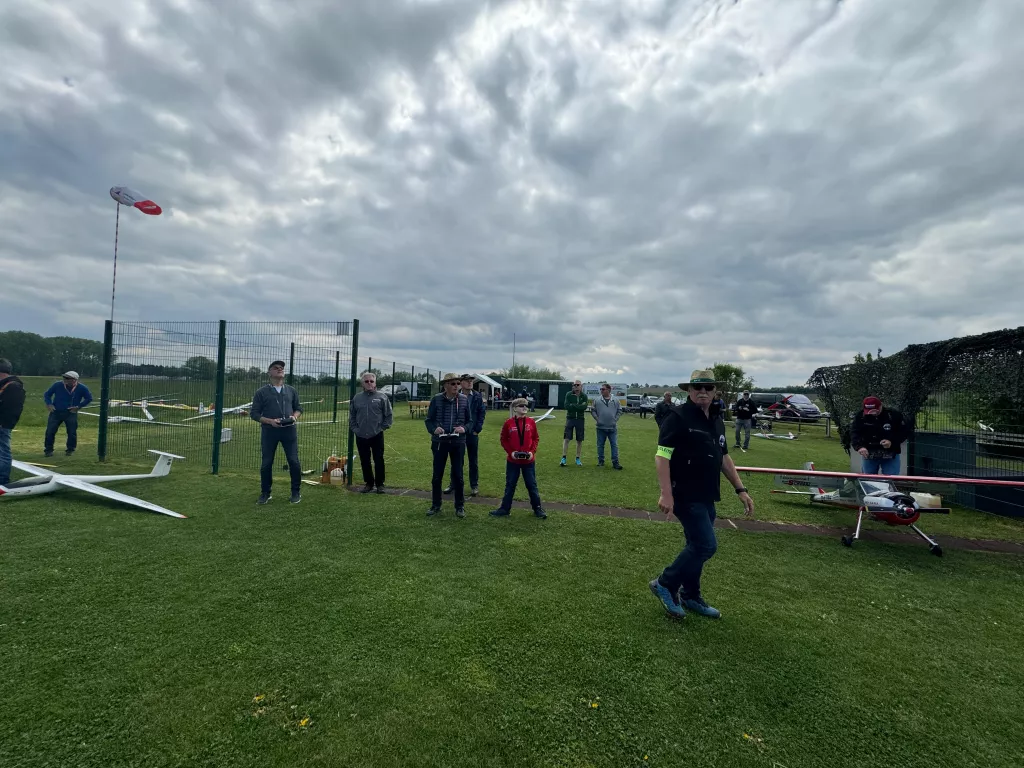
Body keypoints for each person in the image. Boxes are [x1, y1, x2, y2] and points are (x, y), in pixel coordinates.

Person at [649, 370, 755, 620]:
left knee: (696, 545)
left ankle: (690, 595)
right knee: (705, 545)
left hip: (707, 494)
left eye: (708, 388)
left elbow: (724, 457)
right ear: (689, 391)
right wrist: (666, 494)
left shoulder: (716, 419)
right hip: (684, 494)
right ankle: (665, 583)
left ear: (715, 391)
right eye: (698, 388)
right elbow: (662, 456)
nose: (703, 392)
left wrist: (740, 489)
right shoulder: (677, 417)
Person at [250, 360, 303, 505]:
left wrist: (294, 417)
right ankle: (265, 493)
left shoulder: (291, 390)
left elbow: (299, 408)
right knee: (266, 463)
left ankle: (295, 492)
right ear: (269, 373)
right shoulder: (261, 392)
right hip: (269, 432)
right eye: (276, 368)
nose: (280, 369)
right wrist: (270, 421)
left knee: (294, 461)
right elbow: (254, 414)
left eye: (281, 368)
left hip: (289, 431)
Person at [490, 398, 547, 519]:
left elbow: (535, 438)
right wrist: (511, 452)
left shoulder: (531, 422)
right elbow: (503, 439)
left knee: (531, 485)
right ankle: (504, 509)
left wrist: (532, 452)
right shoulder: (508, 423)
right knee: (510, 485)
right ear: (515, 408)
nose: (525, 407)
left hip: (528, 461)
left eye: (526, 405)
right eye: (521, 406)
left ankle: (537, 508)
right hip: (513, 461)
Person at [425, 373, 469, 518]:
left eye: (458, 383)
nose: (457, 386)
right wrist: (434, 429)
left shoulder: (464, 399)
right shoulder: (436, 399)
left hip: (458, 442)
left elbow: (470, 421)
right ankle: (436, 505)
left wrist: (464, 428)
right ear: (445, 385)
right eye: (453, 384)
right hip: (440, 442)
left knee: (458, 475)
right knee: (437, 475)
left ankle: (460, 506)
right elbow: (429, 420)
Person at [350, 371, 393, 494]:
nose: (369, 383)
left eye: (371, 381)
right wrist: (355, 429)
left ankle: (380, 484)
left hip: (376, 434)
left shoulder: (382, 397)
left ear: (375, 383)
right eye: (366, 381)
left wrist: (382, 428)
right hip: (361, 435)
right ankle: (368, 483)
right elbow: (352, 415)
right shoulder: (357, 398)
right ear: (362, 384)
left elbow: (388, 415)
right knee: (364, 460)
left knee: (378, 459)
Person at [444, 374, 486, 497]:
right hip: (458, 432)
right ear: (461, 383)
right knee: (456, 460)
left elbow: (481, 413)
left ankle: (474, 485)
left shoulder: (477, 396)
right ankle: (453, 484)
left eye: (471, 381)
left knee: (473, 460)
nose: (470, 382)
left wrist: (477, 429)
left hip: (472, 433)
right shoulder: (455, 395)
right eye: (467, 381)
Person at [851, 396, 912, 475]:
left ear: (880, 406)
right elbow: (855, 432)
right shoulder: (860, 416)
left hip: (890, 453)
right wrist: (859, 447)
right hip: (869, 453)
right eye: (869, 411)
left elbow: (904, 432)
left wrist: (891, 441)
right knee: (868, 479)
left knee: (890, 478)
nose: (872, 413)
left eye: (875, 411)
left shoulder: (893, 415)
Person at [43, 371, 93, 457]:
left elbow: (89, 398)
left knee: (72, 432)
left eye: (67, 378)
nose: (64, 379)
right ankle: (48, 450)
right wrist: (49, 404)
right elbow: (47, 394)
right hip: (56, 412)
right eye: (64, 377)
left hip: (71, 413)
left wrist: (78, 406)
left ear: (74, 380)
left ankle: (70, 449)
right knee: (50, 431)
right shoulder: (57, 385)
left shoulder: (82, 388)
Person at [0, 358, 27, 487]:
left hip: (2, 425)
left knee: (3, 452)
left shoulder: (13, 386)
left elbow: (13, 409)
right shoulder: (4, 385)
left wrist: (4, 423)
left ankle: (2, 479)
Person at [590, 383, 623, 469]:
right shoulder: (597, 400)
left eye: (603, 389)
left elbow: (620, 410)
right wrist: (597, 419)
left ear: (608, 390)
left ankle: (615, 462)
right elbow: (592, 410)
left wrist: (615, 420)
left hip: (612, 428)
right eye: (601, 389)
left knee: (614, 445)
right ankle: (601, 461)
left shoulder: (615, 400)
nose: (601, 390)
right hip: (600, 427)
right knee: (600, 445)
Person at [560, 380, 589, 466]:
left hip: (580, 419)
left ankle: (577, 458)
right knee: (567, 438)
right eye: (574, 385)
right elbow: (566, 406)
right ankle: (563, 458)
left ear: (581, 386)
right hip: (570, 419)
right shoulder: (569, 394)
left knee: (579, 440)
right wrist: (578, 406)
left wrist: (573, 405)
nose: (576, 386)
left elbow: (584, 407)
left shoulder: (584, 396)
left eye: (578, 385)